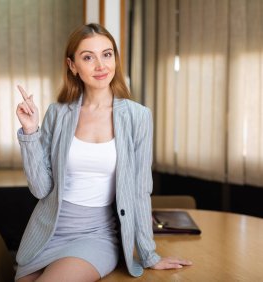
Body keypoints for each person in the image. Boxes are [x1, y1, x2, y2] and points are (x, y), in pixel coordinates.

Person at [15, 23, 192, 282]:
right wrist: (31, 133)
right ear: (72, 65)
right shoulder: (57, 113)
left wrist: (148, 254)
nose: (101, 65)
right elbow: (41, 190)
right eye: (88, 57)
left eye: (107, 54)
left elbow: (140, 191)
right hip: (47, 232)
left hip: (97, 234)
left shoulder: (137, 117)